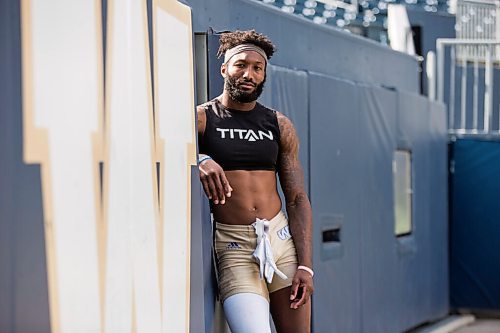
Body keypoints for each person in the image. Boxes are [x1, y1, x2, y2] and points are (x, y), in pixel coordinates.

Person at [197, 30, 313, 333]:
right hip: (234, 245)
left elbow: (297, 198)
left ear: (263, 76)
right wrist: (198, 159)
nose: (248, 74)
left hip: (281, 240)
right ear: (224, 69)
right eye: (240, 65)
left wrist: (306, 265)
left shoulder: (278, 124)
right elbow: (162, 149)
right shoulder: (201, 119)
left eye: (257, 68)